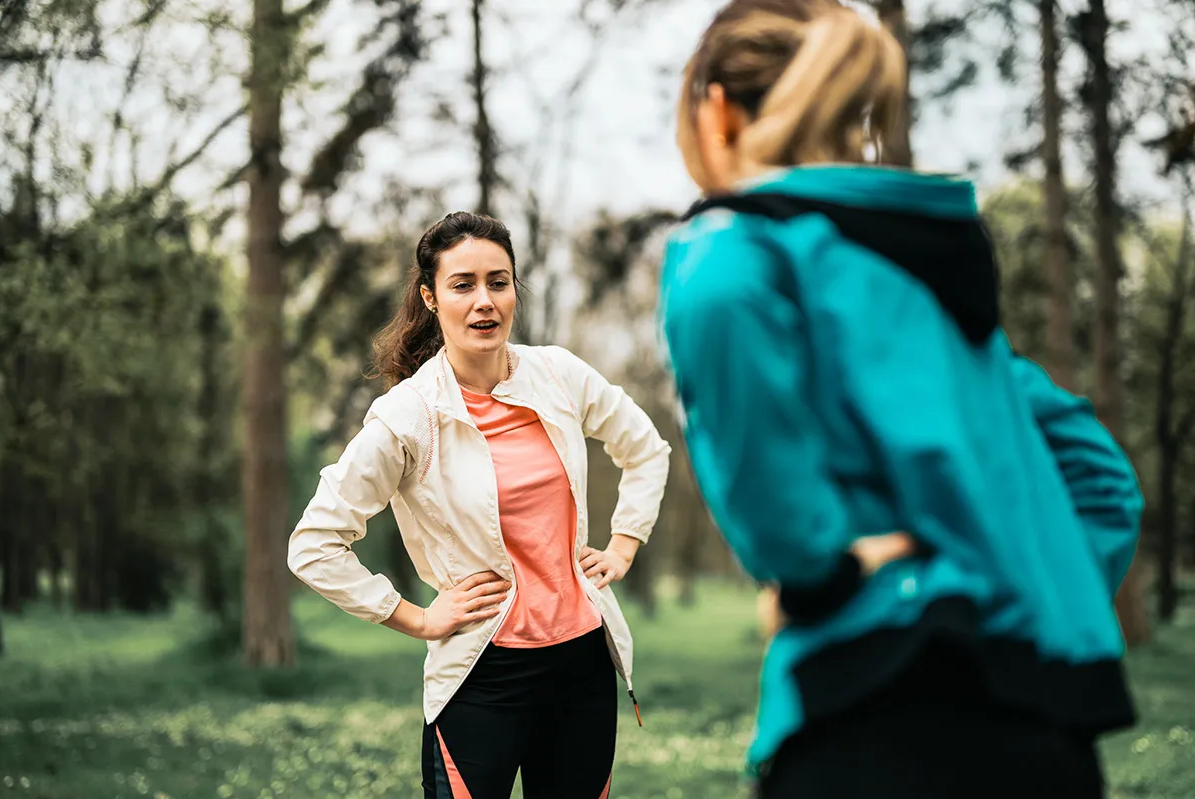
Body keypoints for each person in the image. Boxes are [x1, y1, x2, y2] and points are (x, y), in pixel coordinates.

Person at [657, 1, 1144, 797]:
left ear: (718, 111)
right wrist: (1011, 579)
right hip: (1044, 736)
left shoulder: (733, 246)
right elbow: (1102, 479)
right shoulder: (932, 293)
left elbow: (715, 298)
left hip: (872, 729)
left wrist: (824, 578)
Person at [288, 211, 670, 799]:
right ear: (431, 297)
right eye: (462, 284)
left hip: (581, 666)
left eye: (499, 281)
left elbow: (645, 448)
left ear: (516, 289)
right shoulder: (408, 417)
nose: (483, 301)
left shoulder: (558, 375)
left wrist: (624, 543)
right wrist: (414, 617)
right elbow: (314, 545)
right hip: (480, 676)